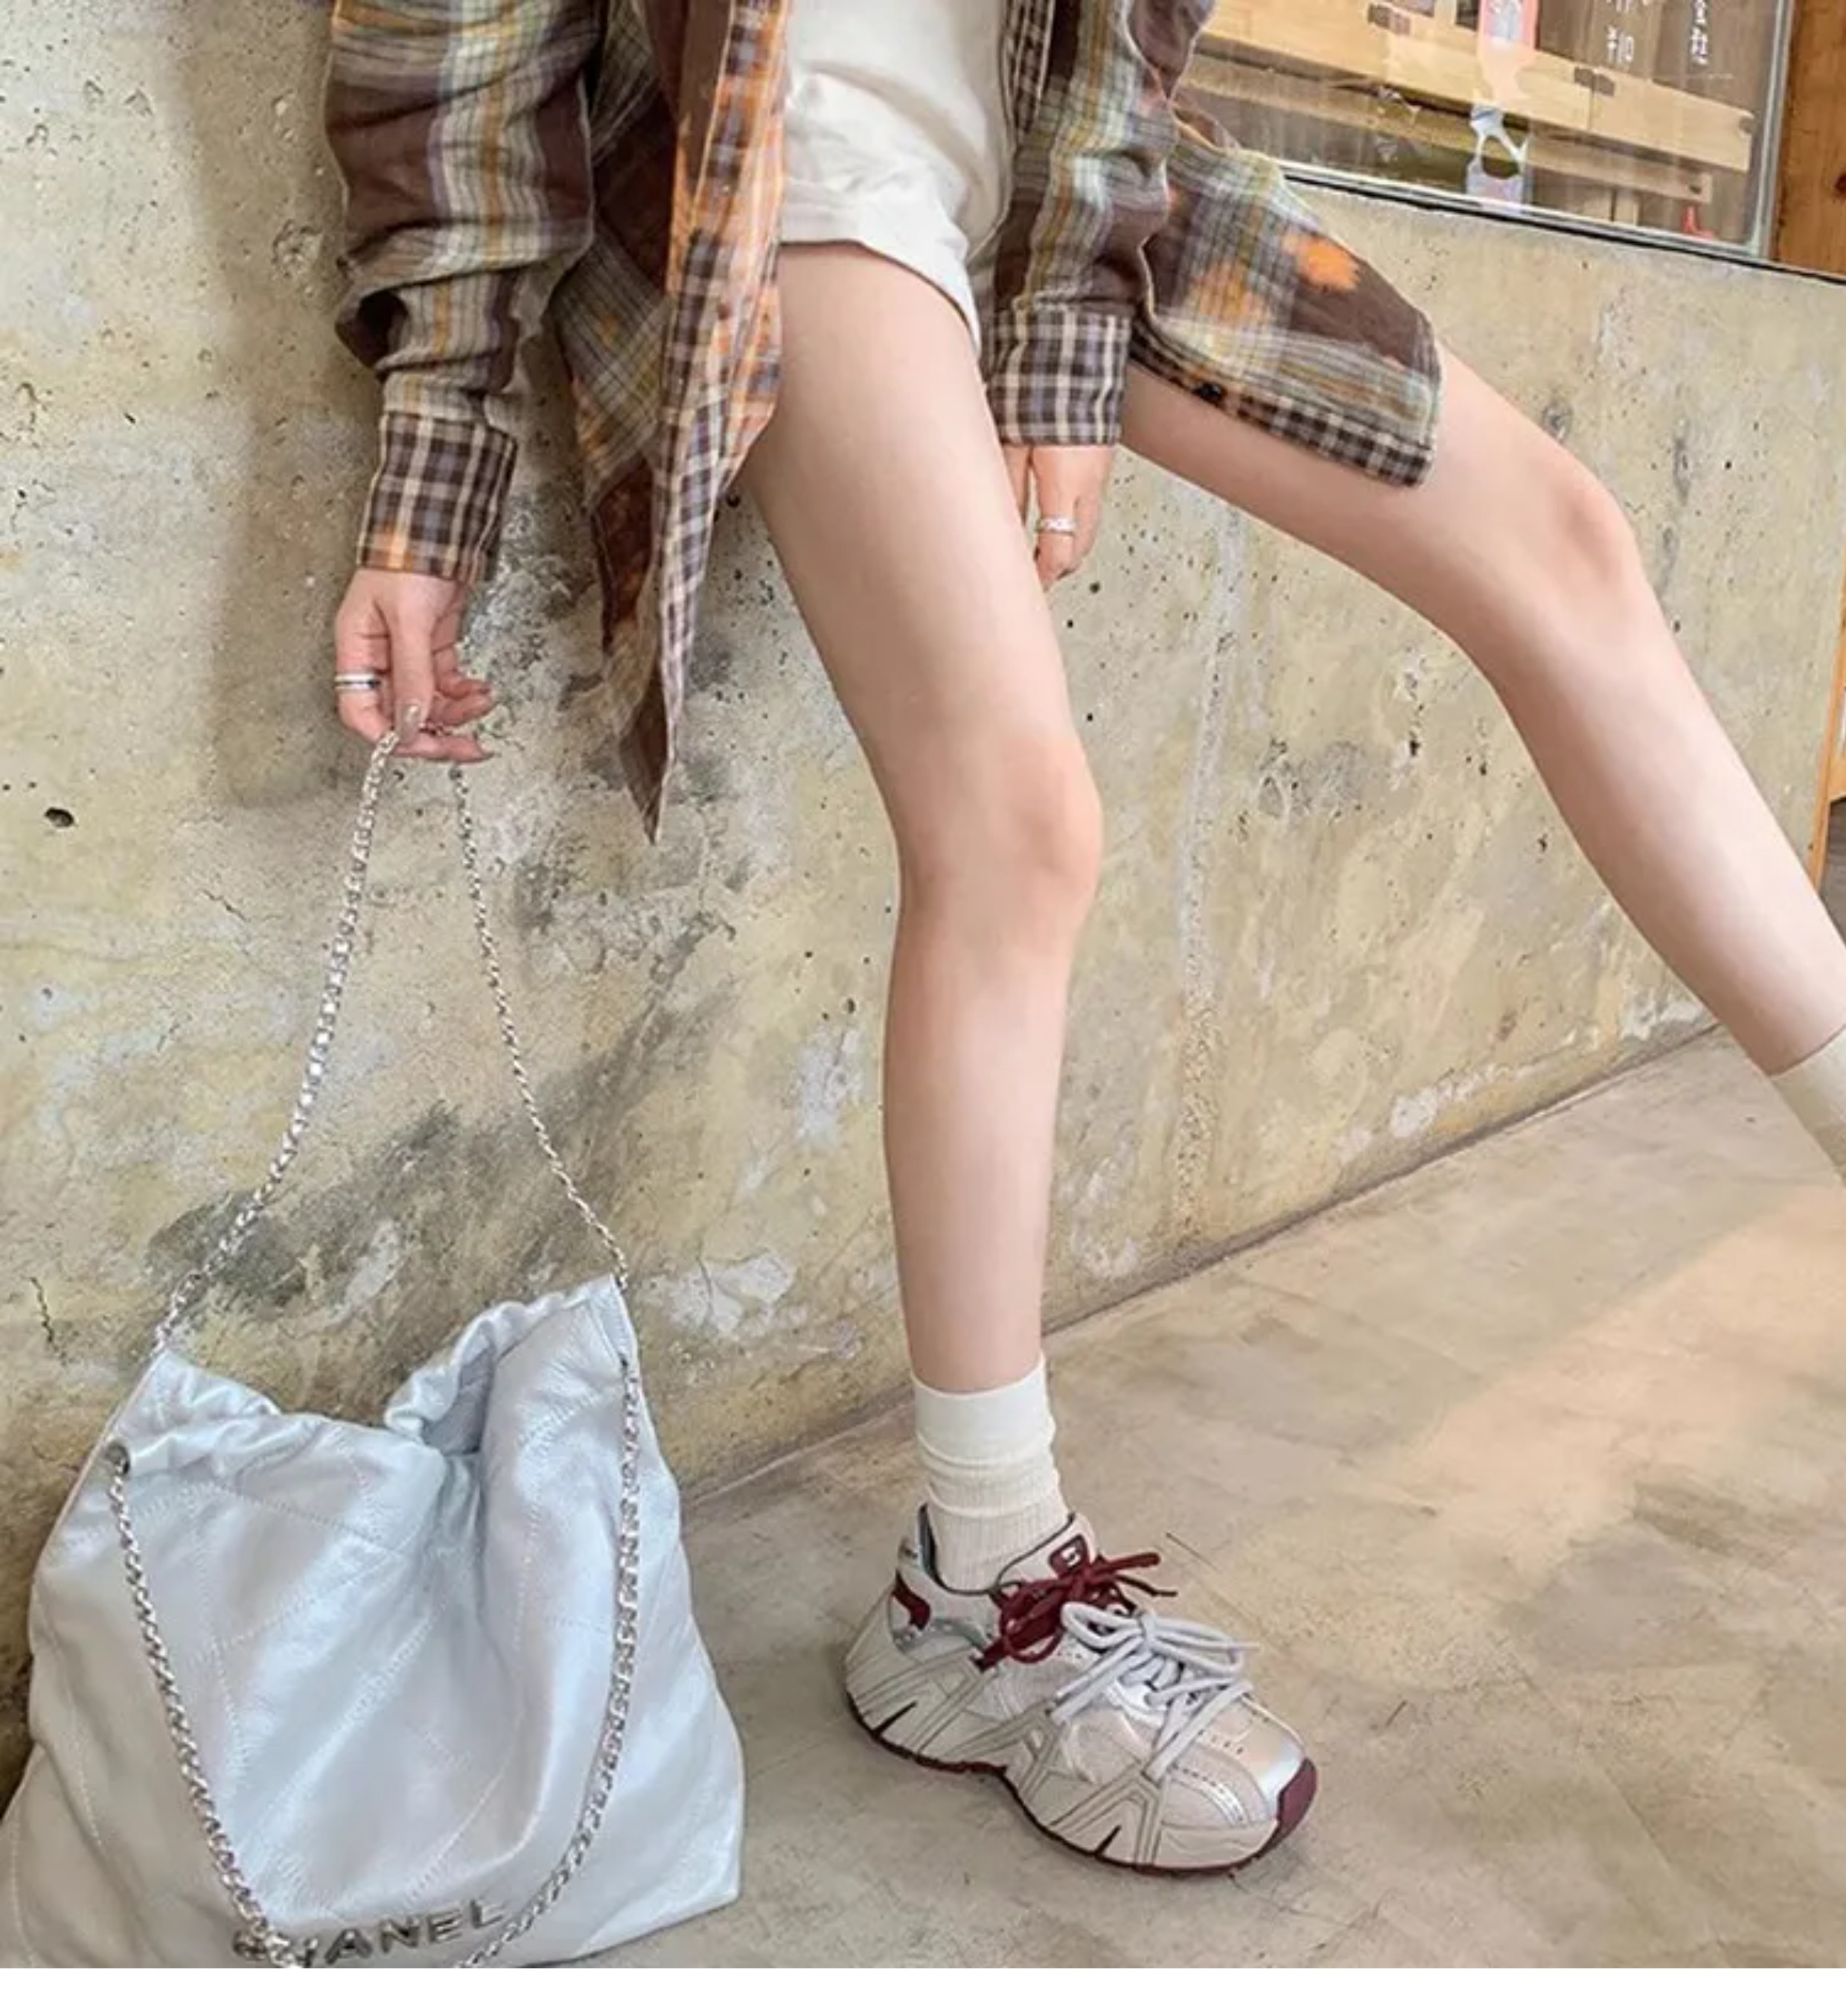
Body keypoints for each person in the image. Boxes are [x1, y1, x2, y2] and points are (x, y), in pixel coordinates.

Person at [323, 0, 1846, 1875]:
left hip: (1066, 153)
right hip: (786, 153)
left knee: (1565, 544)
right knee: (1018, 826)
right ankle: (975, 1580)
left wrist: (1057, 318)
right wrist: (438, 443)